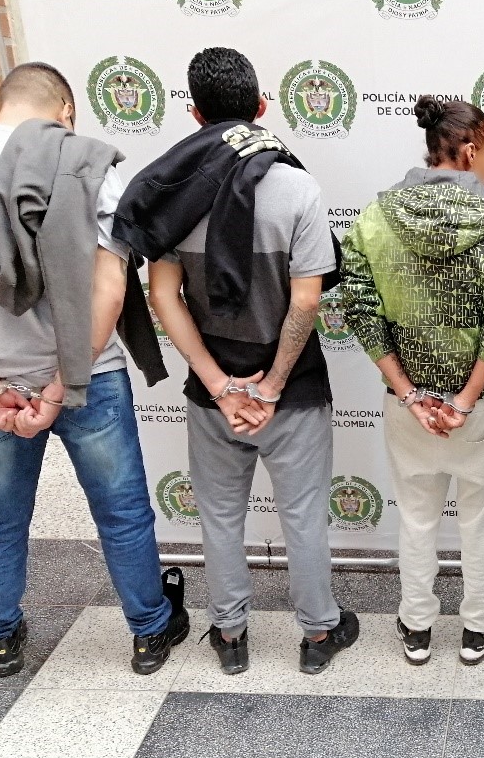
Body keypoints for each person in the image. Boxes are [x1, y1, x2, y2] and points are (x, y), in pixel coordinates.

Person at [0, 61, 186, 677]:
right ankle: (149, 631)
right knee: (122, 512)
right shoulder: (87, 163)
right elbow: (109, 290)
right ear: (66, 111)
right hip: (89, 376)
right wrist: (59, 386)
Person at [134, 47, 359, 677]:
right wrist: (272, 386)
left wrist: (220, 385)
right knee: (303, 518)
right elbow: (307, 299)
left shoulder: (174, 195)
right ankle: (319, 633)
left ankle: (230, 635)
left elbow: (163, 296)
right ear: (261, 107)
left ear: (194, 113)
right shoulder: (298, 188)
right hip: (294, 391)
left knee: (219, 518)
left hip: (212, 395)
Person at [339, 96, 484, 667]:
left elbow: (360, 309)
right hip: (483, 405)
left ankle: (418, 626)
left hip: (409, 404)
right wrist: (465, 400)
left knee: (417, 518)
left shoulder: (374, 219)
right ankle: (479, 625)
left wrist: (408, 392)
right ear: (469, 151)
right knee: (480, 517)